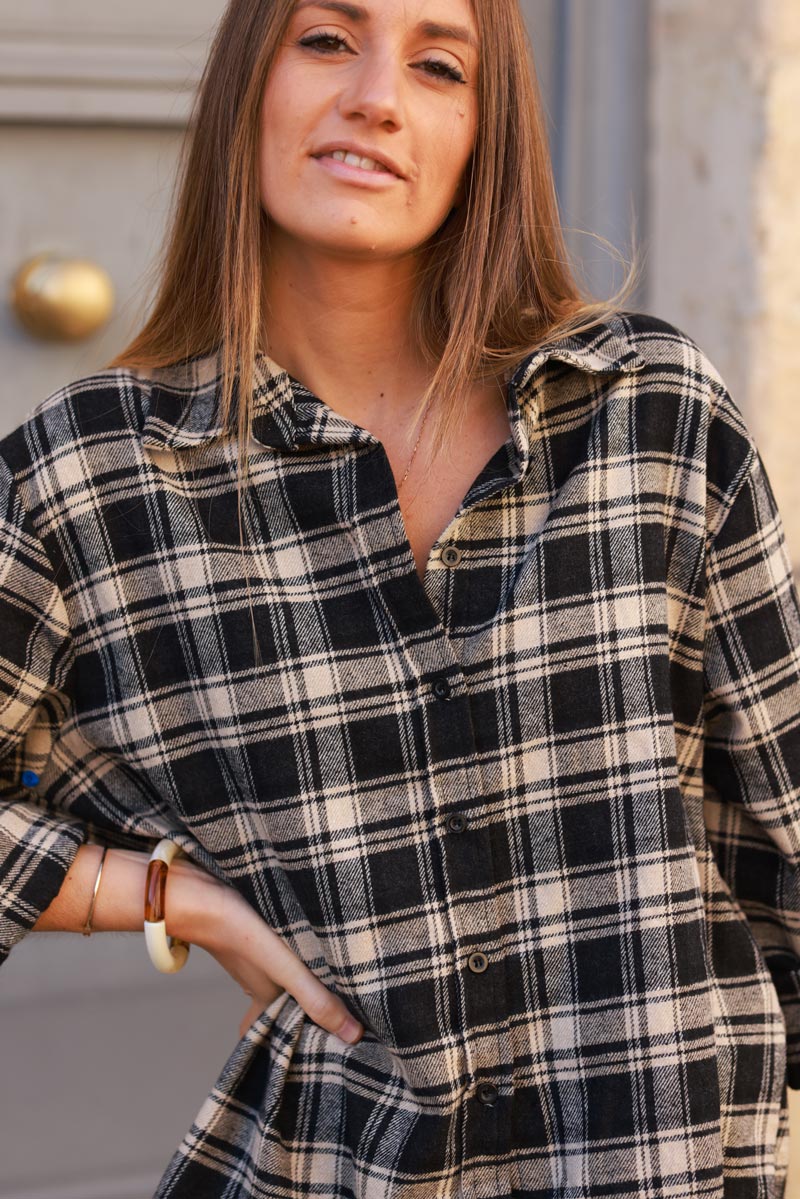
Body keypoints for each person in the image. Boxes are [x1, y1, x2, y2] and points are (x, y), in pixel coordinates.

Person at [1, 0, 799, 1195]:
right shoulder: (92, 480)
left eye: (437, 66)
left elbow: (781, 825)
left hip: (662, 1160)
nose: (376, 95)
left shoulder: (649, 419)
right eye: (326, 40)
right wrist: (170, 896)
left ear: (485, 132)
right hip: (334, 1163)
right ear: (245, 86)